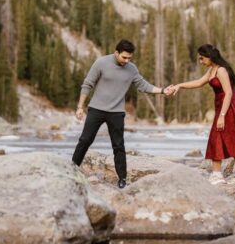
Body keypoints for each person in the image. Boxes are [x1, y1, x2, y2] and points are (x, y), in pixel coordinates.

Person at [72, 39, 169, 188]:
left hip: (116, 112)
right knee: (85, 140)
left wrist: (163, 90)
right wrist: (80, 107)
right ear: (116, 53)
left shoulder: (132, 69)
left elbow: (143, 86)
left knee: (118, 146)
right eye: (124, 57)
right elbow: (87, 84)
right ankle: (72, 170)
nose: (127, 61)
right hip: (96, 109)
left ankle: (122, 179)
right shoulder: (101, 63)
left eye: (129, 58)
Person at [166, 43, 235, 185]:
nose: (200, 61)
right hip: (224, 106)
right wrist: (179, 85)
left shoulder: (221, 70)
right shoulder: (212, 70)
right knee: (231, 139)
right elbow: (199, 82)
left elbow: (229, 93)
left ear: (209, 57)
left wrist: (222, 116)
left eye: (202, 58)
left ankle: (218, 175)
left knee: (218, 137)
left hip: (231, 106)